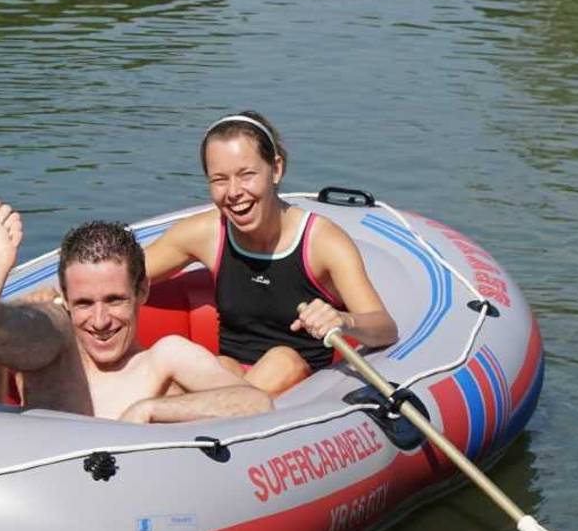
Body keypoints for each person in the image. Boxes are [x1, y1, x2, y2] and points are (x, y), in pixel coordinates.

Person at [0, 169, 273, 423]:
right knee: (28, 331)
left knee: (22, 330)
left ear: (142, 290)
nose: (100, 321)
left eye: (114, 300)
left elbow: (255, 401)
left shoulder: (165, 358)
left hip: (80, 496)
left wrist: (152, 408)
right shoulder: (59, 335)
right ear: (67, 294)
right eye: (84, 302)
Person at [143, 111, 399, 395]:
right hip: (229, 377)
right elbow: (126, 275)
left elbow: (385, 328)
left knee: (282, 361)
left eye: (246, 175)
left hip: (302, 392)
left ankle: (209, 411)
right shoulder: (206, 233)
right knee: (218, 364)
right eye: (219, 180)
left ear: (276, 169)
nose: (233, 192)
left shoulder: (323, 242)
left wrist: (344, 320)